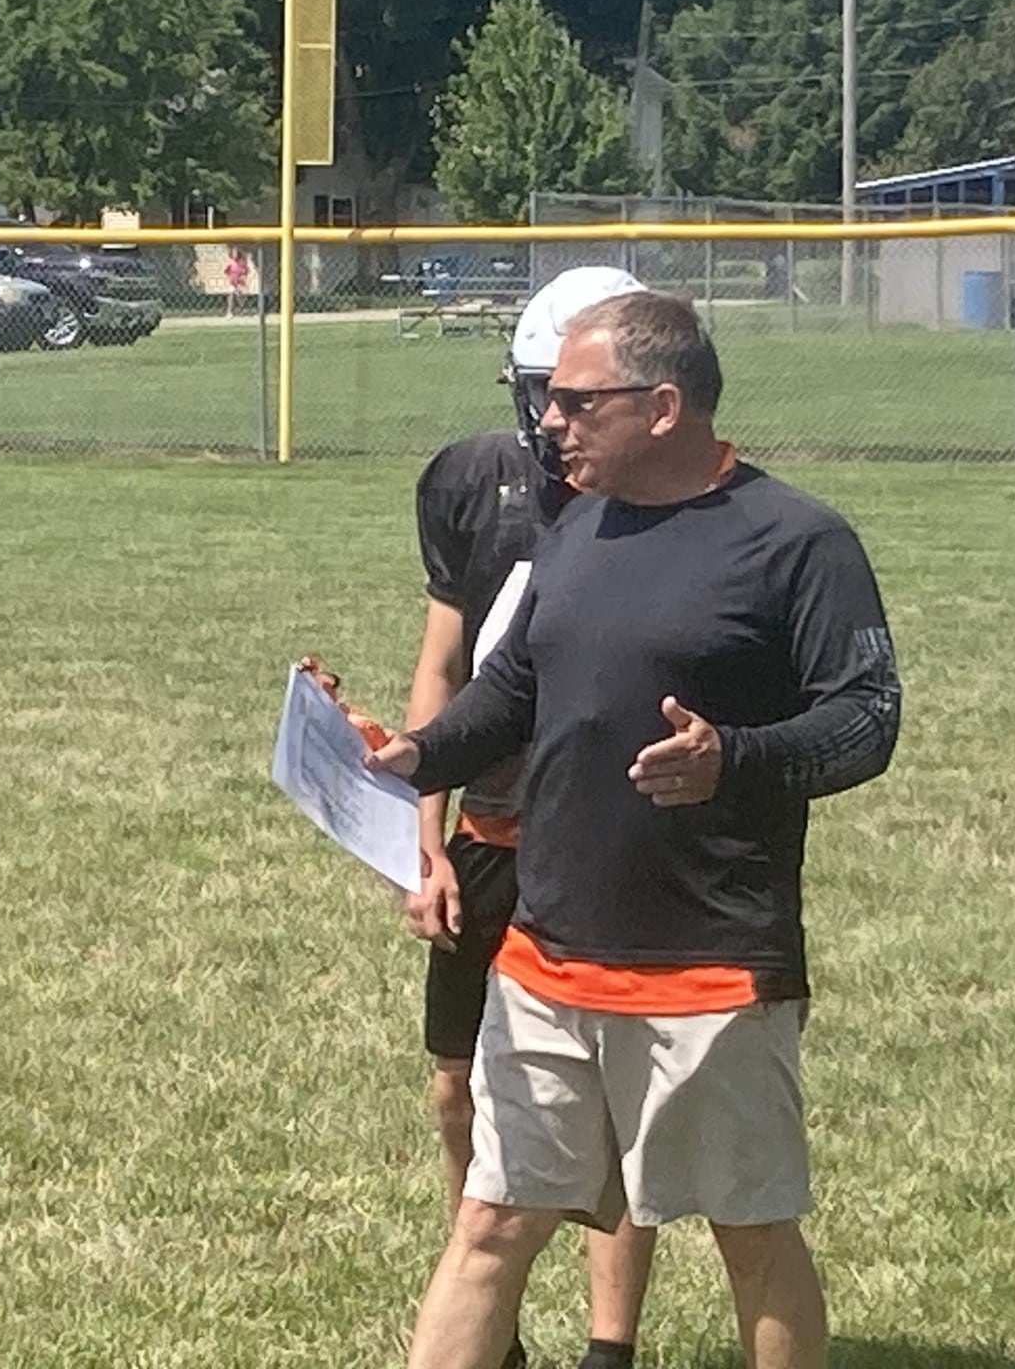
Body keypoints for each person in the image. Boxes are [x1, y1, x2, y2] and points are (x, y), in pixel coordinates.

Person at [368, 289, 900, 1369]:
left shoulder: (795, 540)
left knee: (751, 1238)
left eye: (576, 402)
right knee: (489, 1224)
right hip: (549, 961)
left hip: (707, 968)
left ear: (662, 407)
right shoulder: (577, 528)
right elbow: (508, 690)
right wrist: (411, 757)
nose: (550, 423)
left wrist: (734, 758)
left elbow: (866, 721)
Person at [406, 266, 658, 1369]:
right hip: (492, 834)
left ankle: (610, 1346)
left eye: (581, 399)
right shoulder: (472, 483)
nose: (558, 422)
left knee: (610, 1116)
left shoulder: (664, 511)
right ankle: (492, 1325)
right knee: (456, 1087)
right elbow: (443, 663)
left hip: (601, 844)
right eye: (544, 395)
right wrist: (423, 836)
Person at [223, 245, 250, 317]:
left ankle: (243, 309)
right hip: (232, 282)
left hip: (240, 282)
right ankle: (230, 311)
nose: (235, 254)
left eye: (236, 253)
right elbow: (226, 271)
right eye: (234, 253)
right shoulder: (230, 262)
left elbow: (245, 271)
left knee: (240, 296)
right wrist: (230, 277)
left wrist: (242, 277)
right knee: (231, 295)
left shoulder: (242, 262)